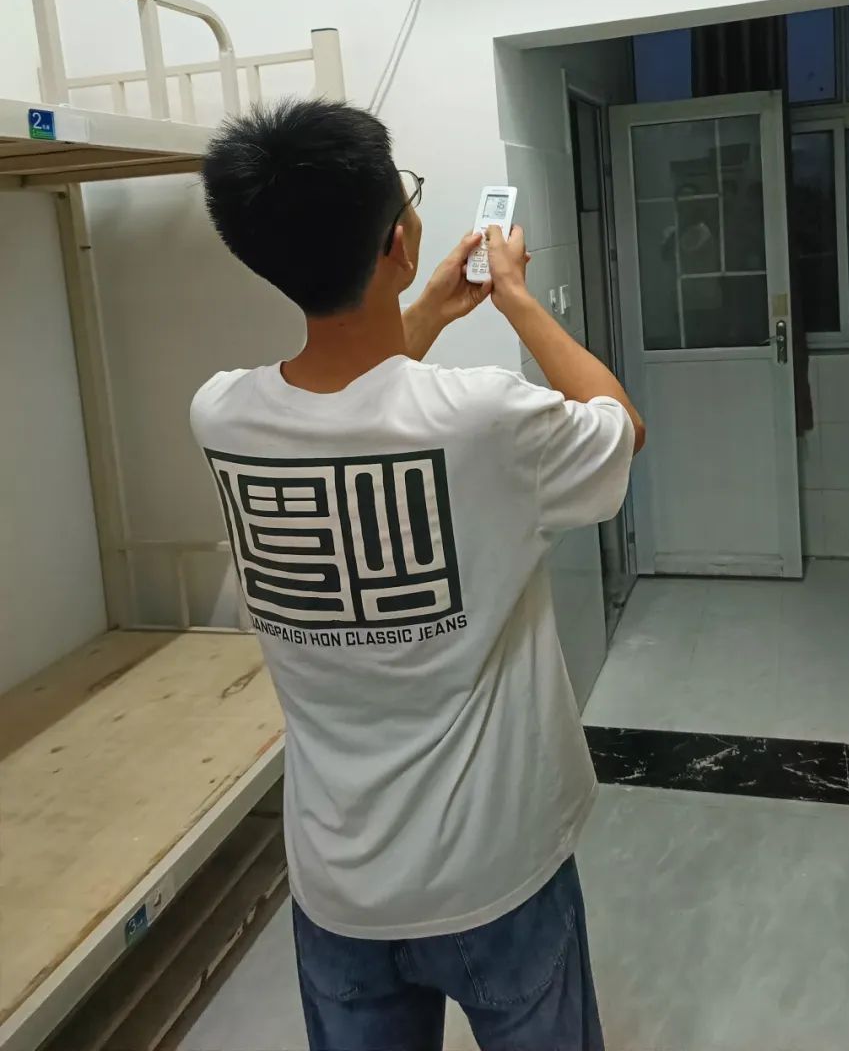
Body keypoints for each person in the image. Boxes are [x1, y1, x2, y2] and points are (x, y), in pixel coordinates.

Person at [191, 98, 644, 1051]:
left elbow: (348, 408)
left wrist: (430, 309)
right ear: (398, 241)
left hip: (337, 885)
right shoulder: (485, 421)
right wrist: (517, 300)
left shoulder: (222, 416)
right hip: (495, 872)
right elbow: (619, 427)